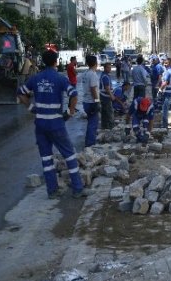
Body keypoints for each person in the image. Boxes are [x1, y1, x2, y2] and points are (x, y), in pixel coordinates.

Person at [17, 50, 84, 199]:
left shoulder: (35, 78)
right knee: (70, 155)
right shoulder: (59, 79)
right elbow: (73, 94)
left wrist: (30, 107)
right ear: (56, 62)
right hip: (56, 124)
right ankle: (78, 189)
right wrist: (71, 111)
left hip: (40, 124)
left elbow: (21, 93)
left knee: (46, 159)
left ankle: (52, 191)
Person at [80, 55, 101, 147]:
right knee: (93, 123)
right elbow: (93, 89)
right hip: (91, 102)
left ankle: (88, 141)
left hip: (86, 101)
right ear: (95, 63)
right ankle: (90, 144)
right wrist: (97, 101)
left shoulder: (85, 73)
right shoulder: (92, 74)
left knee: (90, 122)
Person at [99, 63, 115, 129]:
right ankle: (111, 127)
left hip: (102, 96)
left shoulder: (104, 75)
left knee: (104, 113)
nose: (110, 69)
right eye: (108, 67)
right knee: (110, 112)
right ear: (105, 68)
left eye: (110, 67)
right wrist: (112, 96)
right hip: (106, 97)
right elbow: (107, 88)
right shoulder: (105, 77)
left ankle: (104, 126)